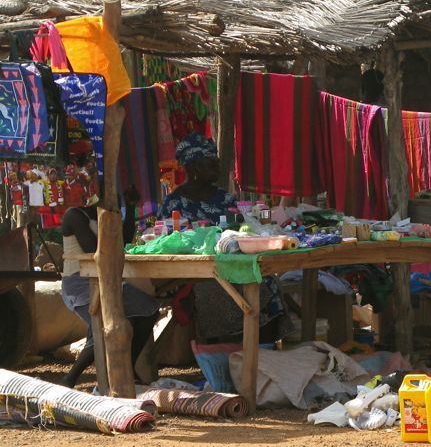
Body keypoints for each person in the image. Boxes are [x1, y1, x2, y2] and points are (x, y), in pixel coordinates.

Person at [157, 133, 292, 343]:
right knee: (212, 292)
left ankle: (263, 350)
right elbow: (164, 241)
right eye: (210, 162)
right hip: (193, 271)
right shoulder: (173, 203)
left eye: (216, 161)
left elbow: (239, 230)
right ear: (193, 167)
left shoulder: (224, 198)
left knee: (266, 281)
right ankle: (224, 349)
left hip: (231, 264)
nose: (218, 166)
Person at [61, 188, 160, 388]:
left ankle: (128, 369)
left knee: (148, 309)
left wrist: (130, 210)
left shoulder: (107, 213)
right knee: (101, 326)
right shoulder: (74, 215)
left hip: (108, 279)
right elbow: (96, 250)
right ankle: (69, 379)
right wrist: (111, 219)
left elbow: (122, 241)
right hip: (79, 282)